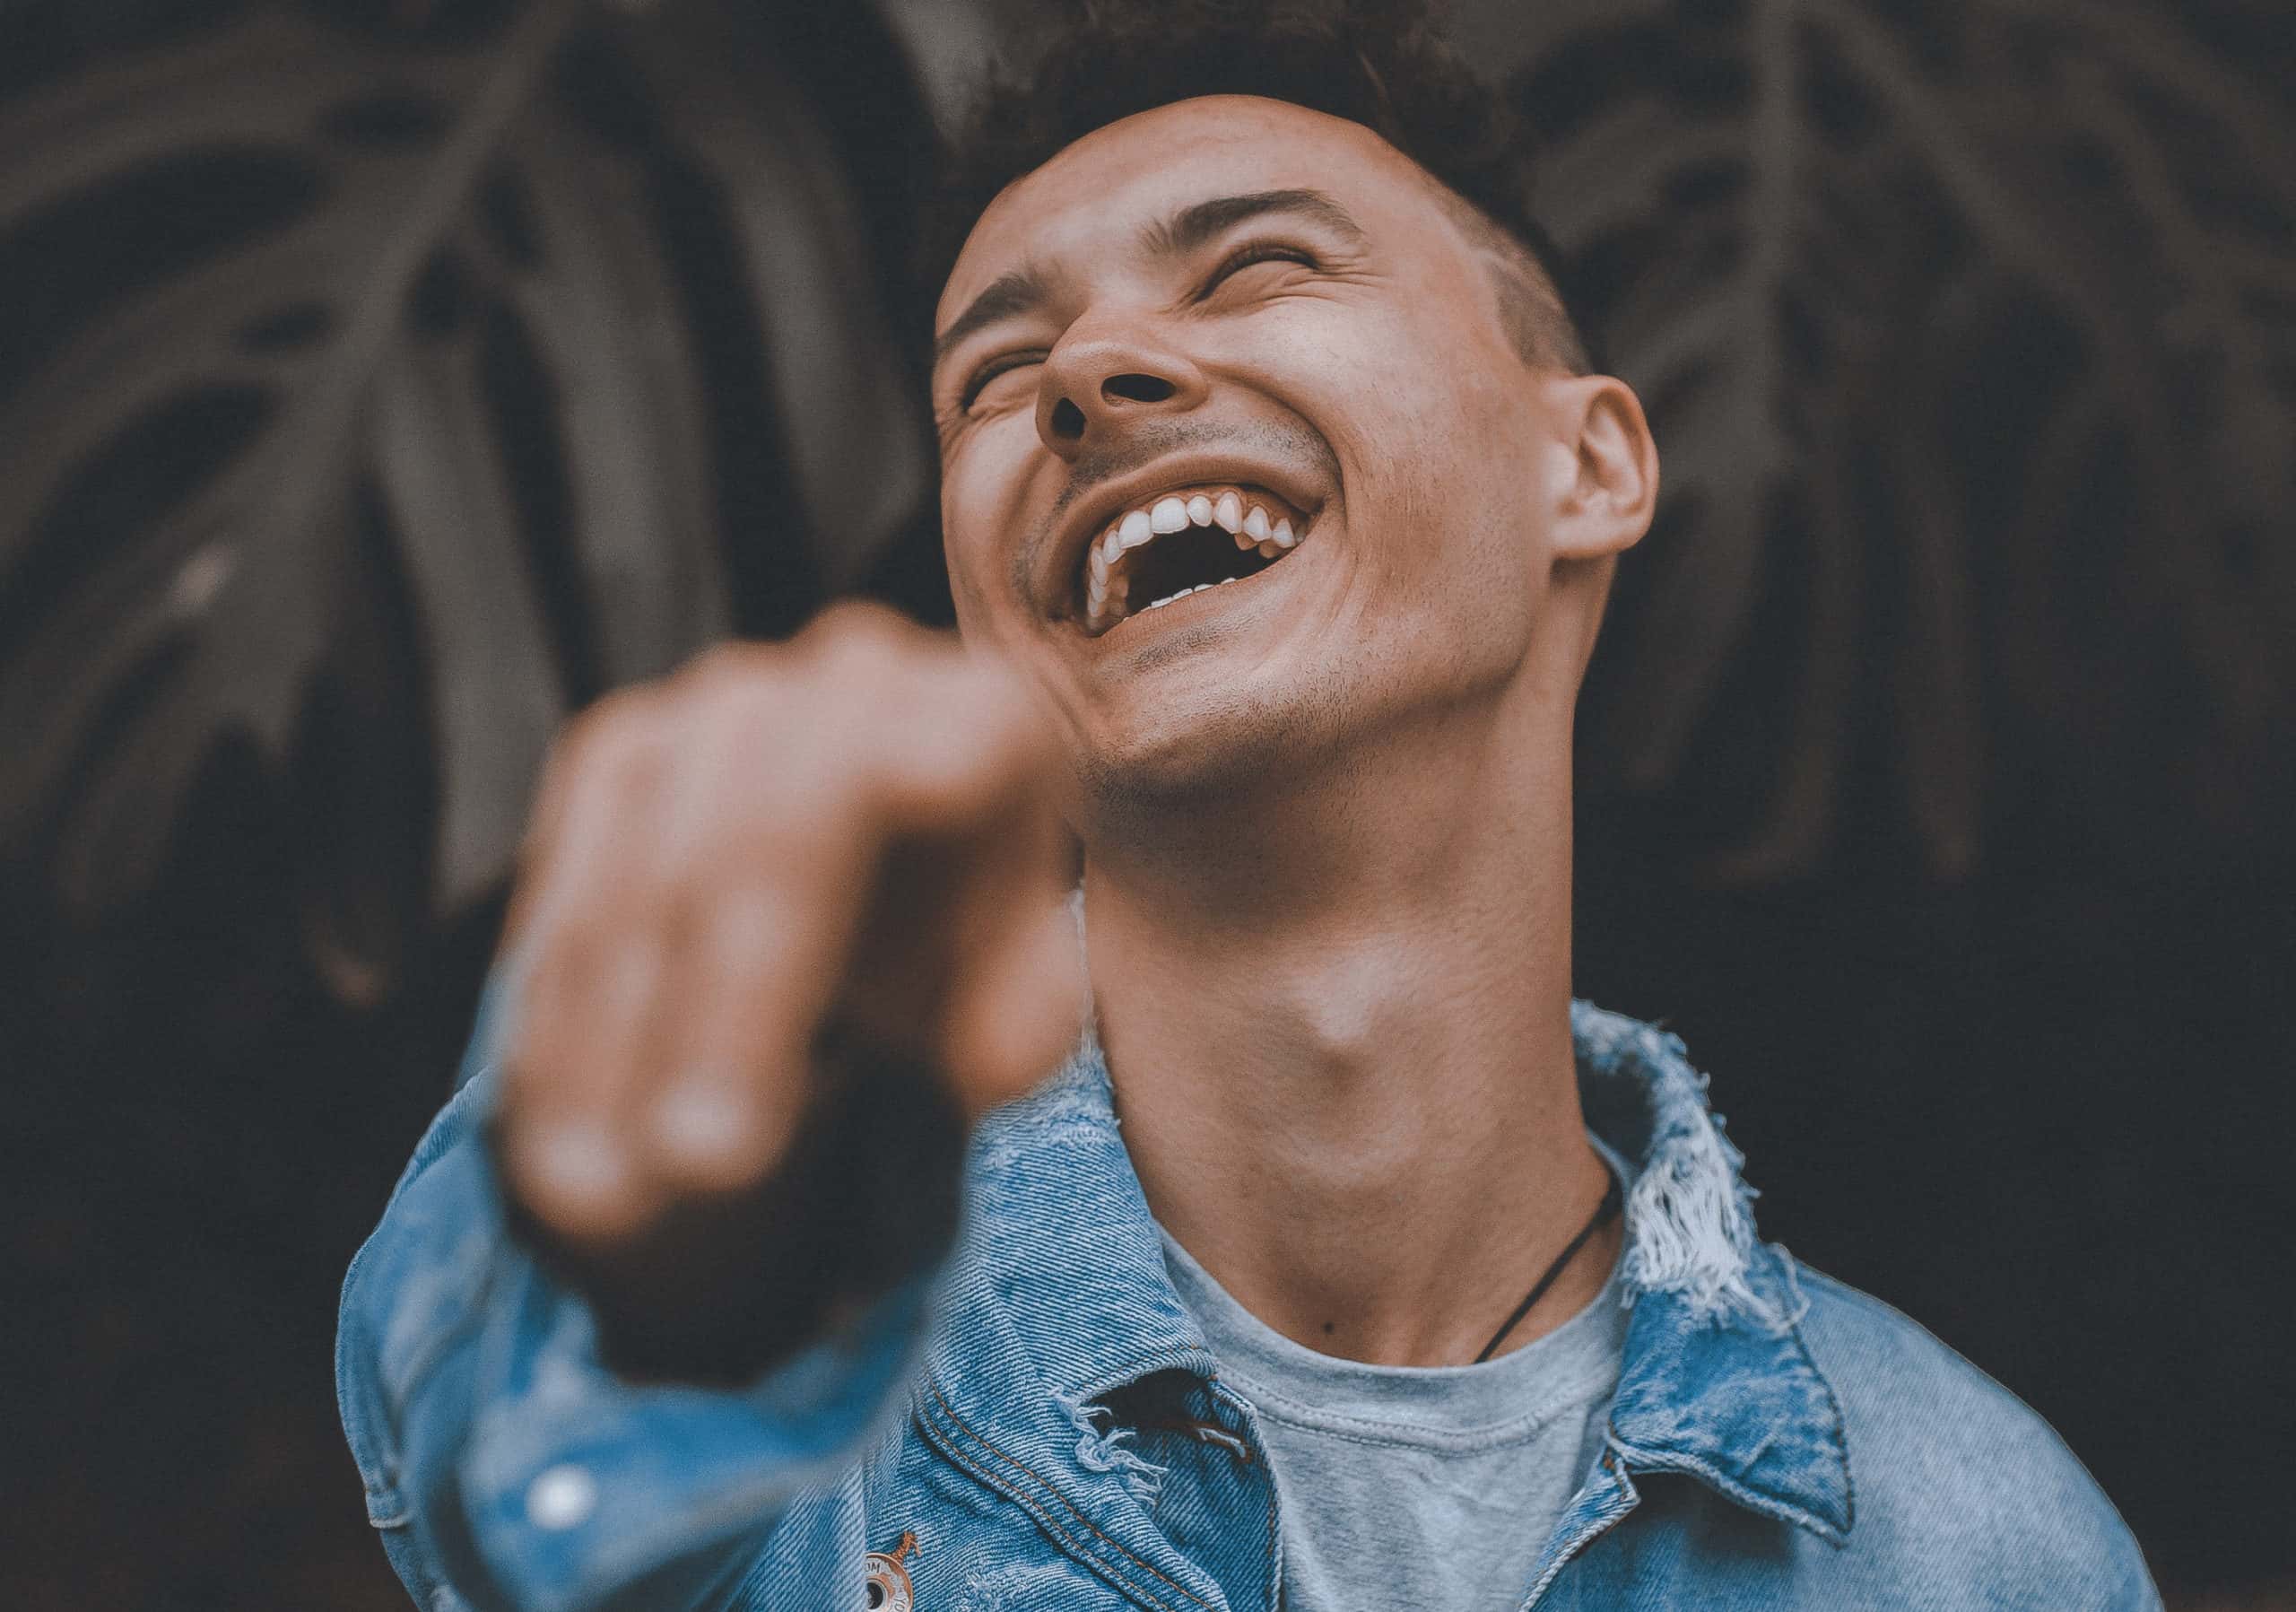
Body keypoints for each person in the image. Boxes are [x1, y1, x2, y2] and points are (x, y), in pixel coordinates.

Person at [337, 6, 2160, 1608]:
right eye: (995, 374)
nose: (1084, 377)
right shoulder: (785, 1338)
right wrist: (670, 1284)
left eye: (1255, 269)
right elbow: (526, 1474)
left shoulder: (1978, 1541)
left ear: (1587, 462)